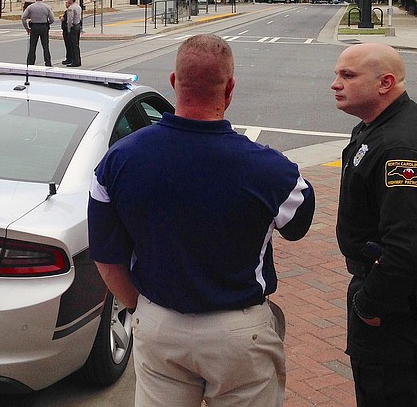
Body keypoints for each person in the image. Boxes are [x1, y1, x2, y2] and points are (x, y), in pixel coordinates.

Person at [87, 34, 315, 407]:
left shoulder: (118, 162)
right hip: (239, 333)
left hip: (159, 324)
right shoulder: (271, 169)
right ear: (230, 88)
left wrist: (138, 308)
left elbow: (106, 257)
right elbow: (297, 226)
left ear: (175, 83)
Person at [330, 42, 417, 407]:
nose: (335, 84)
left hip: (399, 313)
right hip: (397, 305)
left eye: (348, 75)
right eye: (337, 74)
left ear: (385, 83)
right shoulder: (382, 127)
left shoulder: (404, 147)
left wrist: (370, 304)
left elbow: (412, 249)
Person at [21, 0, 54, 66]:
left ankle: (30, 62)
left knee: (32, 46)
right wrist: (47, 24)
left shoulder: (30, 7)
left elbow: (23, 18)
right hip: (44, 27)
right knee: (45, 46)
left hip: (34, 27)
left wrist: (27, 28)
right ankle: (48, 62)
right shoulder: (47, 7)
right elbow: (52, 19)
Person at [64, 0, 82, 67]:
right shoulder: (78, 7)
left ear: (71, 0)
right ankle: (78, 60)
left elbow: (70, 19)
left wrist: (68, 28)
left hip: (73, 27)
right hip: (78, 25)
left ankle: (75, 61)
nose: (67, 0)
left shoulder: (71, 8)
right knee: (76, 44)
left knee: (73, 45)